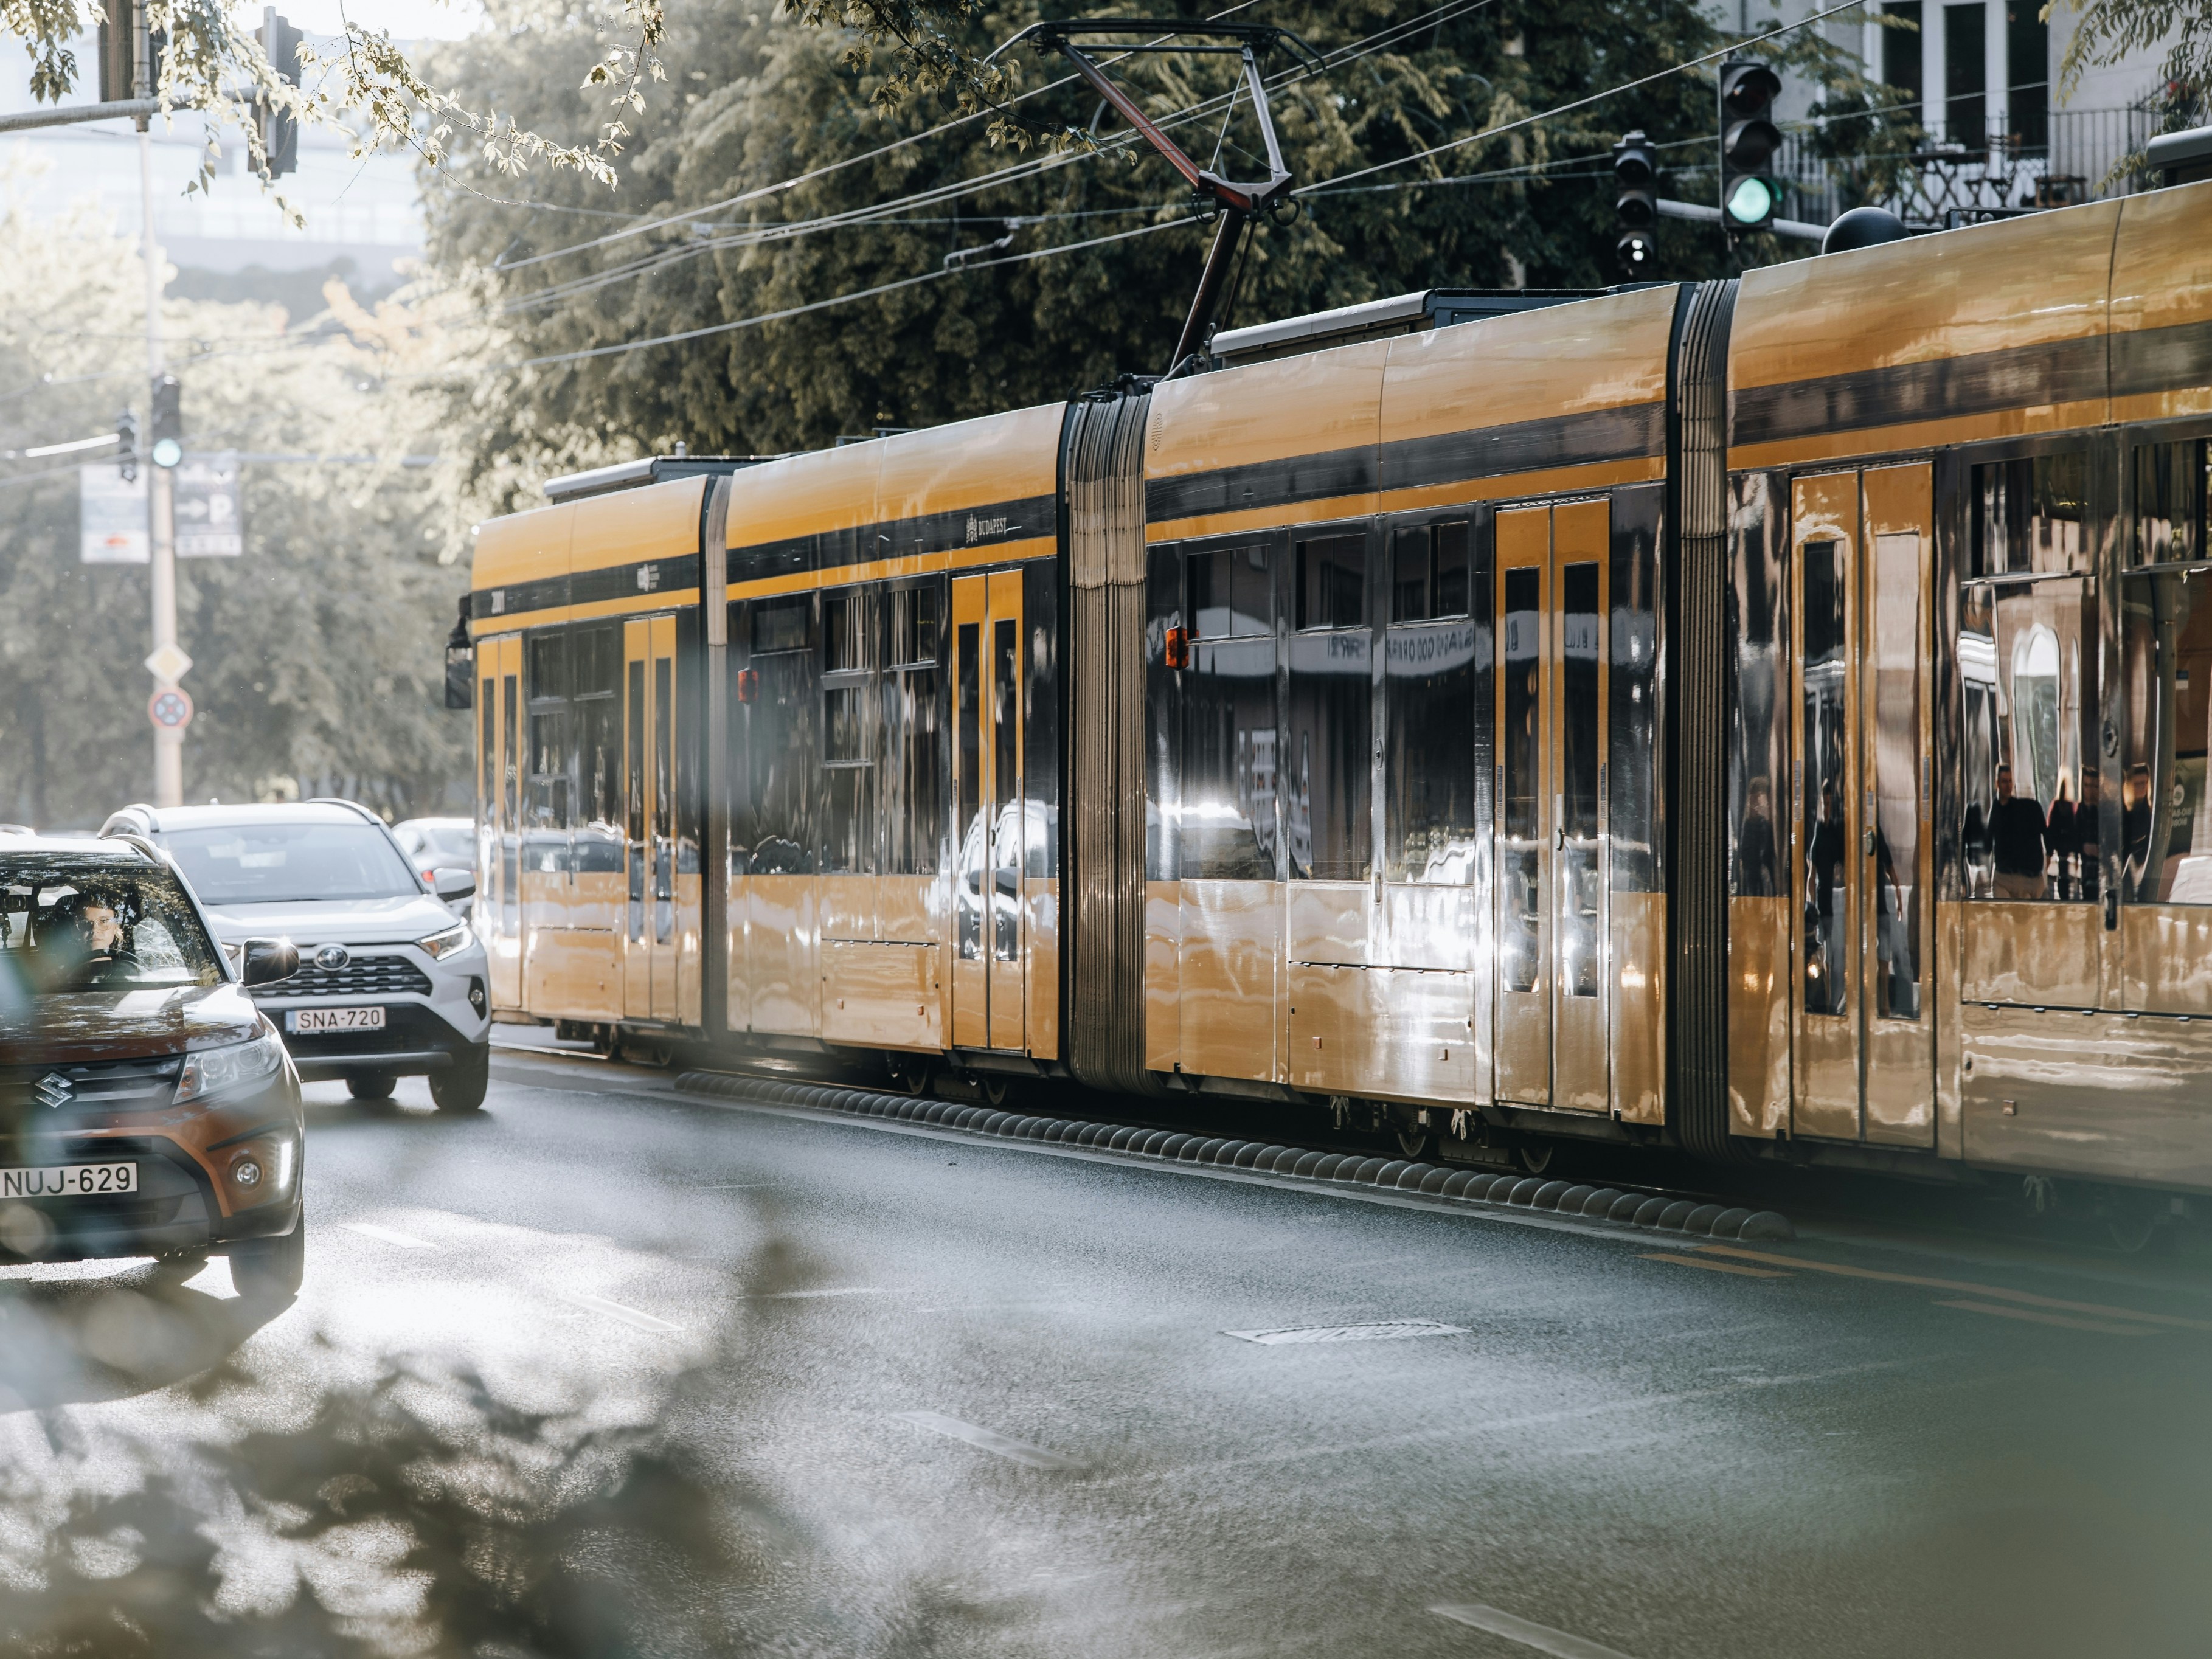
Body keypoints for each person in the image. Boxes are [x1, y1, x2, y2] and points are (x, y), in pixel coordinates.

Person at [1990, 763, 2049, 899]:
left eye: (2010, 781)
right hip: (2011, 876)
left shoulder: (2022, 810)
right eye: (2005, 781)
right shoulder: (1998, 811)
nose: (2008, 785)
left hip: (2022, 876)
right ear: (1997, 784)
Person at [1735, 776, 1778, 897]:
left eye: (1758, 801)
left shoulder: (1765, 827)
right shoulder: (1745, 826)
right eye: (1753, 800)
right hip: (1751, 878)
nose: (1754, 805)